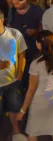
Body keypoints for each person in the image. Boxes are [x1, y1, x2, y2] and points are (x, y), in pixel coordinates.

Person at [17, 30, 53, 141]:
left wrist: (22, 110)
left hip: (40, 100)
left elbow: (31, 89)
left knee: (33, 130)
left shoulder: (36, 64)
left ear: (39, 44)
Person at [0, 10, 27, 139]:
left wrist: (20, 73)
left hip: (12, 81)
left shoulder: (14, 34)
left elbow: (22, 54)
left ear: (1, 19)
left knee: (14, 109)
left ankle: (16, 134)